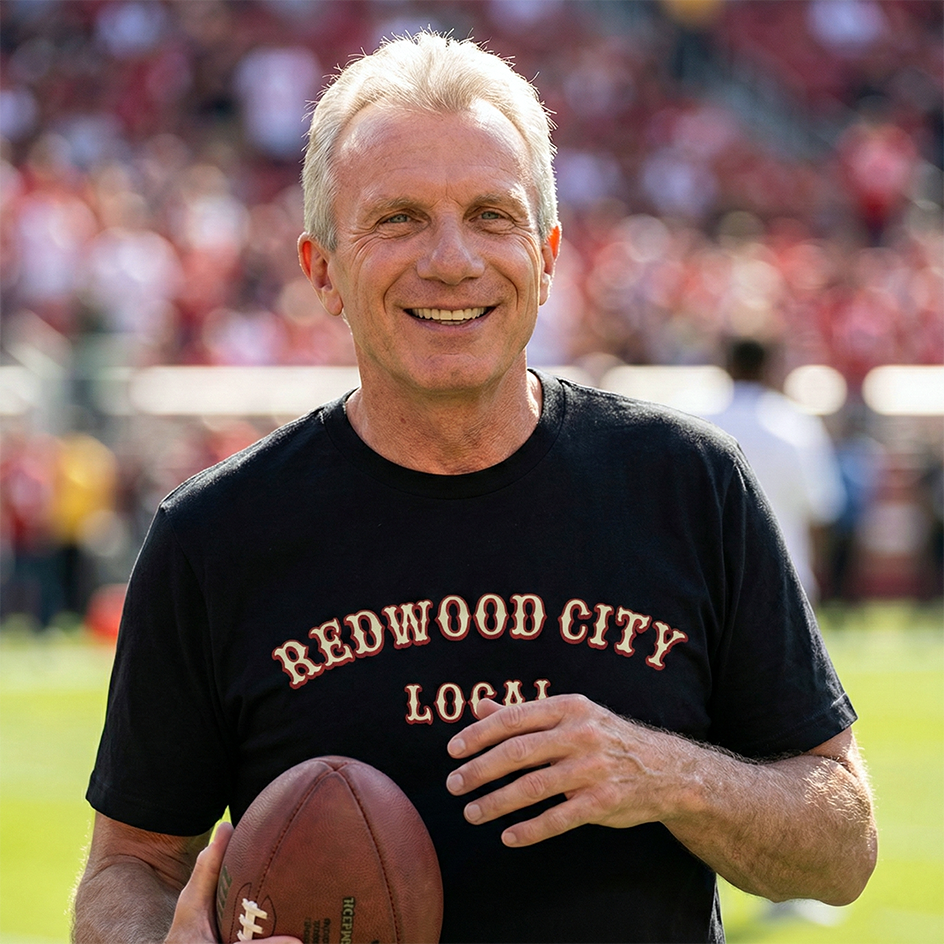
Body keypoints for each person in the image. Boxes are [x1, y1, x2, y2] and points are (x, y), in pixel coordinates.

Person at [73, 32, 876, 944]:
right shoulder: (214, 536)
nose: (451, 261)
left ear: (547, 255)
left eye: (492, 216)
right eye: (400, 218)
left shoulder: (690, 487)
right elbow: (130, 864)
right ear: (321, 271)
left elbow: (842, 847)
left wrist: (662, 772)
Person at [709, 338, 846, 603]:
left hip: (709, 578)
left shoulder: (695, 417)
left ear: (728, 365)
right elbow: (822, 510)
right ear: (768, 367)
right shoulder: (794, 424)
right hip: (783, 576)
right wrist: (818, 576)